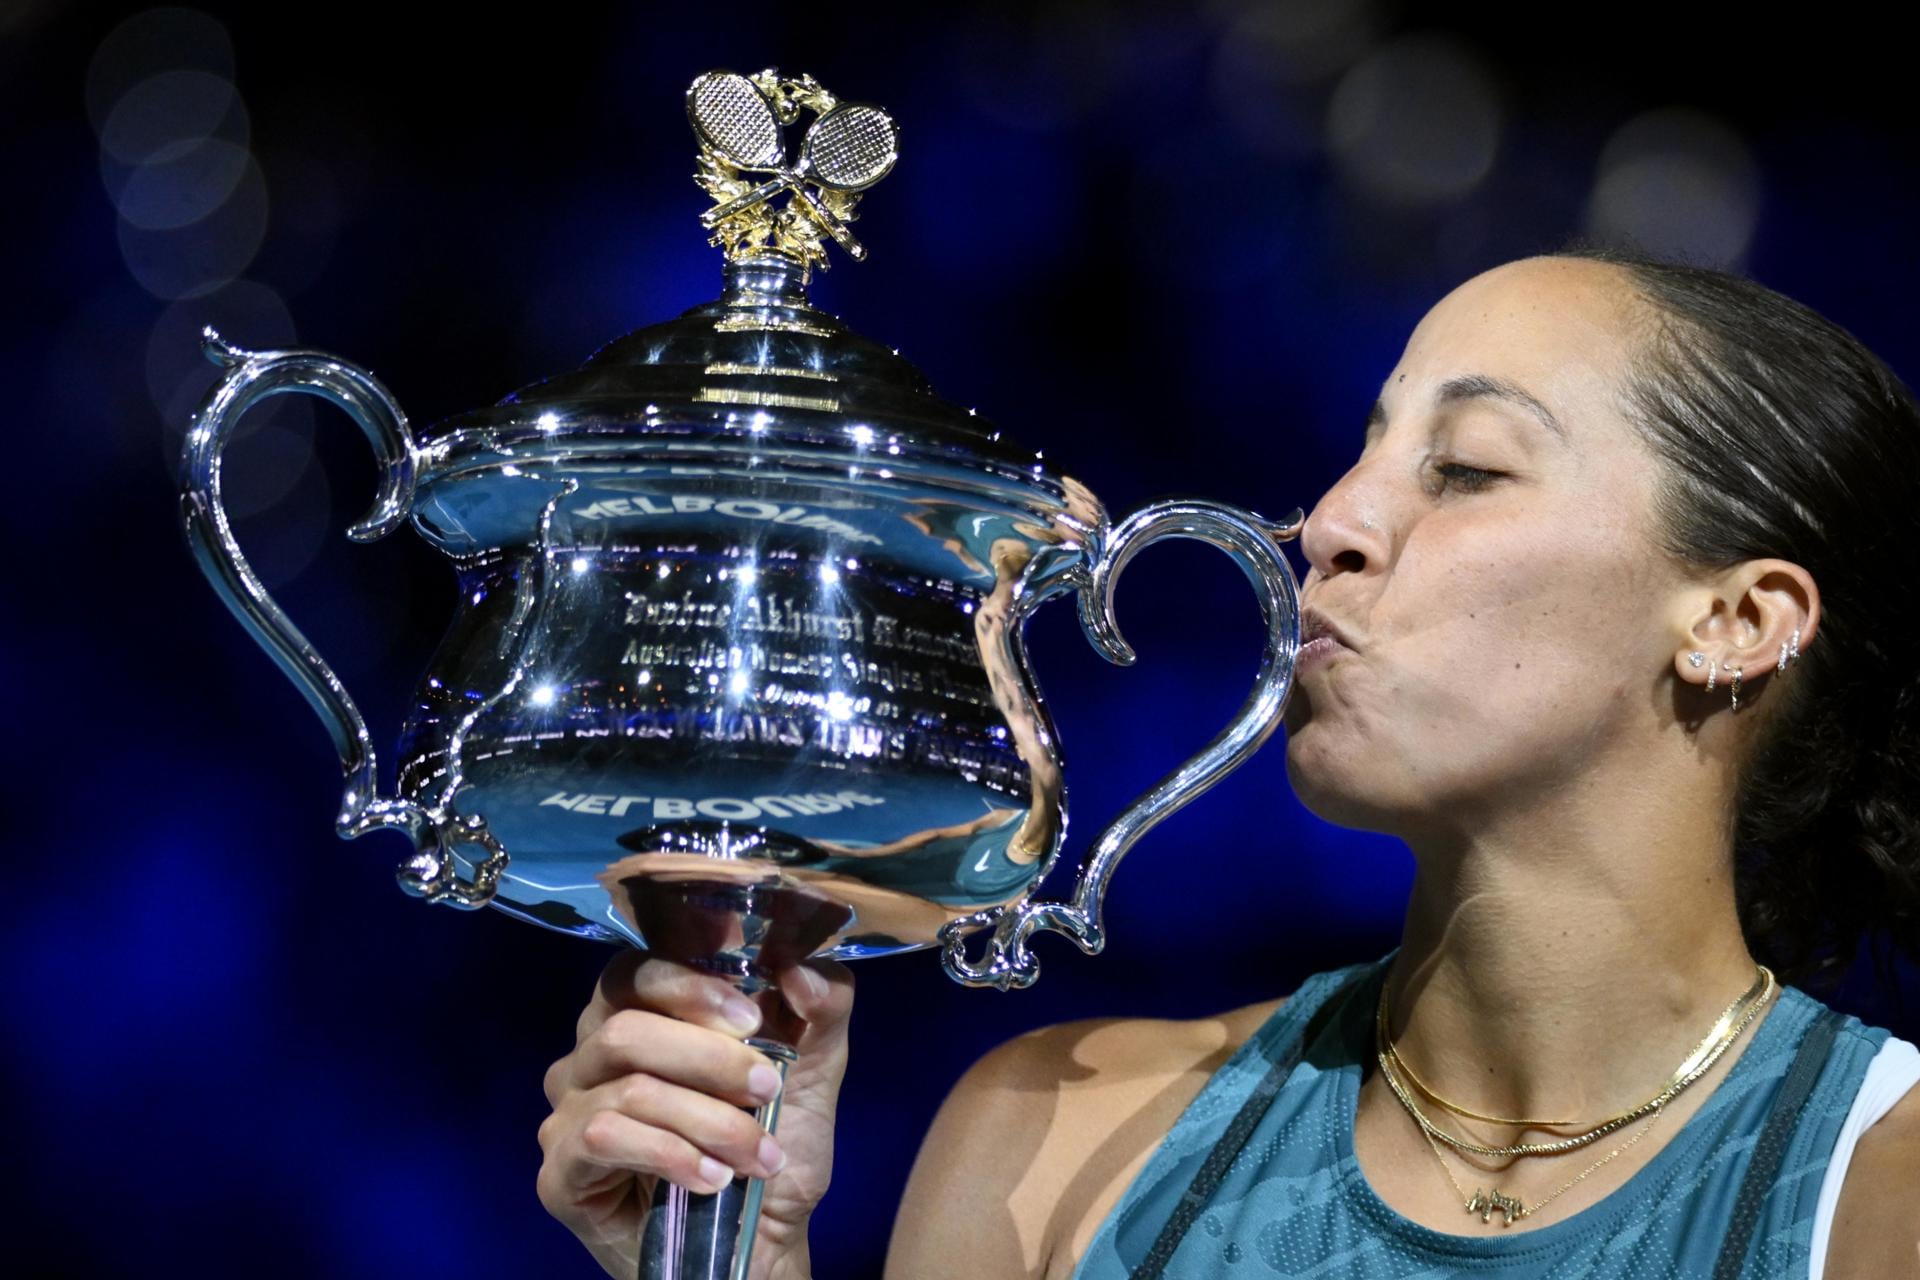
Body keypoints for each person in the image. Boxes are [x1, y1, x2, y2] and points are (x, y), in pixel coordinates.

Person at [534, 245, 1920, 1278]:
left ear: (1737, 623)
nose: (1331, 523)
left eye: (1469, 467)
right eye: (1368, 450)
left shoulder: (1883, 1185)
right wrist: (733, 1253)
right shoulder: (1058, 1142)